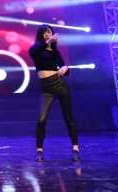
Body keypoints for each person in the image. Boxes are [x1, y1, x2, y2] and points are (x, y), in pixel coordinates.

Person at [28, 24, 80, 162]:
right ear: (40, 35)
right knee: (41, 119)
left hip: (60, 85)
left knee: (68, 118)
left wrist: (65, 68)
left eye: (49, 32)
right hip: (47, 89)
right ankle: (39, 151)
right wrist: (48, 42)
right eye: (44, 32)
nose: (47, 34)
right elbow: (35, 52)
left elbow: (65, 71)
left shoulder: (56, 53)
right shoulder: (36, 49)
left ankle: (75, 149)